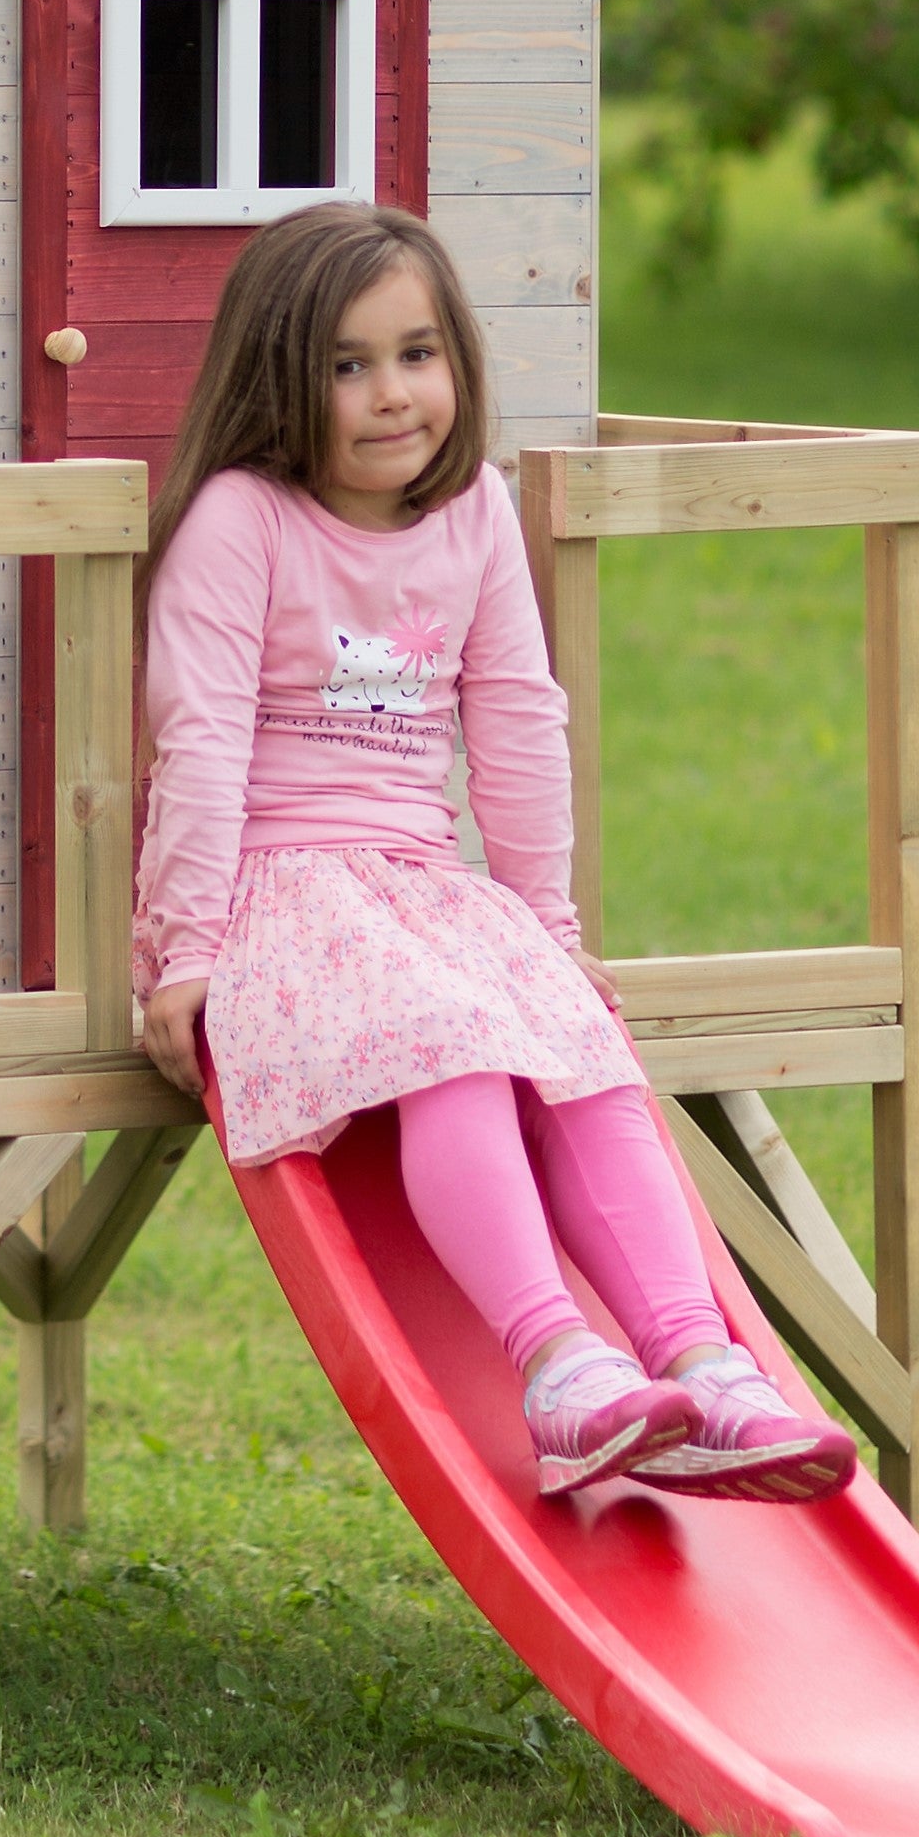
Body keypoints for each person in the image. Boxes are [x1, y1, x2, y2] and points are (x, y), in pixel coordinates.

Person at [133, 203, 854, 1505]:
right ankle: (558, 1366)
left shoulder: (470, 512)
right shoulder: (244, 522)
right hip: (285, 894)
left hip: (429, 889)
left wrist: (548, 931)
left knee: (581, 1057)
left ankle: (705, 1363)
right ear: (279, 377)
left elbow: (517, 719)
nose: (390, 394)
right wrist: (180, 952)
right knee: (454, 1041)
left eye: (416, 353)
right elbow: (194, 740)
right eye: (346, 365)